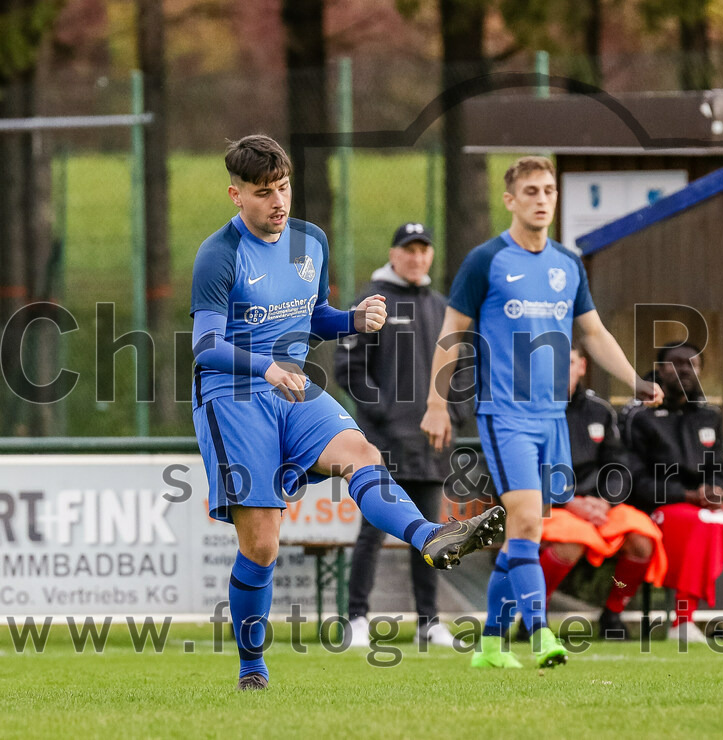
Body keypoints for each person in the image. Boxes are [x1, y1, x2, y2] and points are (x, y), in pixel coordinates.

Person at [190, 135, 505, 690]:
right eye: (263, 193)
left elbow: (313, 316)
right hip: (232, 397)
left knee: (361, 453)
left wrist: (352, 320)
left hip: (292, 386)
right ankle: (252, 668)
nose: (278, 202)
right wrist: (264, 367)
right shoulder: (219, 254)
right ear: (236, 195)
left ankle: (430, 537)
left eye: (284, 188)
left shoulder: (309, 241)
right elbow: (206, 345)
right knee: (261, 546)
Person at [420, 156, 663, 669]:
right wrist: (436, 403)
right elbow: (452, 331)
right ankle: (540, 633)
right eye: (531, 191)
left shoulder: (567, 264)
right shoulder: (486, 260)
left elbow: (593, 332)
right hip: (503, 413)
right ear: (510, 200)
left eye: (548, 190)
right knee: (529, 520)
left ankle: (490, 643)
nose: (542, 199)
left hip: (551, 418)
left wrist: (636, 381)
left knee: (522, 533)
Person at [335, 222, 464, 648]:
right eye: (409, 250)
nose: (417, 257)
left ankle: (429, 622)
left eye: (424, 249)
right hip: (382, 445)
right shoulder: (371, 302)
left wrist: (453, 414)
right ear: (393, 255)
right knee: (372, 532)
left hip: (431, 446)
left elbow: (462, 371)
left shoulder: (442, 308)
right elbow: (349, 370)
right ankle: (357, 619)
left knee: (430, 534)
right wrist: (387, 414)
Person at [620, 342, 723, 644]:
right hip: (653, 507)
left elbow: (718, 468)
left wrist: (714, 490)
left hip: (700, 506)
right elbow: (634, 482)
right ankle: (682, 621)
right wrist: (686, 494)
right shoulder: (638, 415)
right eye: (676, 364)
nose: (684, 370)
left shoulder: (708, 415)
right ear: (659, 370)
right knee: (700, 524)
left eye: (692, 364)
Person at [538, 346, 667, 640]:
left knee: (643, 537)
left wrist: (606, 501)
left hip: (599, 506)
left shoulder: (600, 411)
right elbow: (523, 469)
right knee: (571, 541)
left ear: (582, 366)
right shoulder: (530, 411)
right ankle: (534, 617)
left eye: (569, 362)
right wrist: (569, 503)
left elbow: (618, 466)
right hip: (549, 506)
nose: (561, 370)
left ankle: (612, 614)